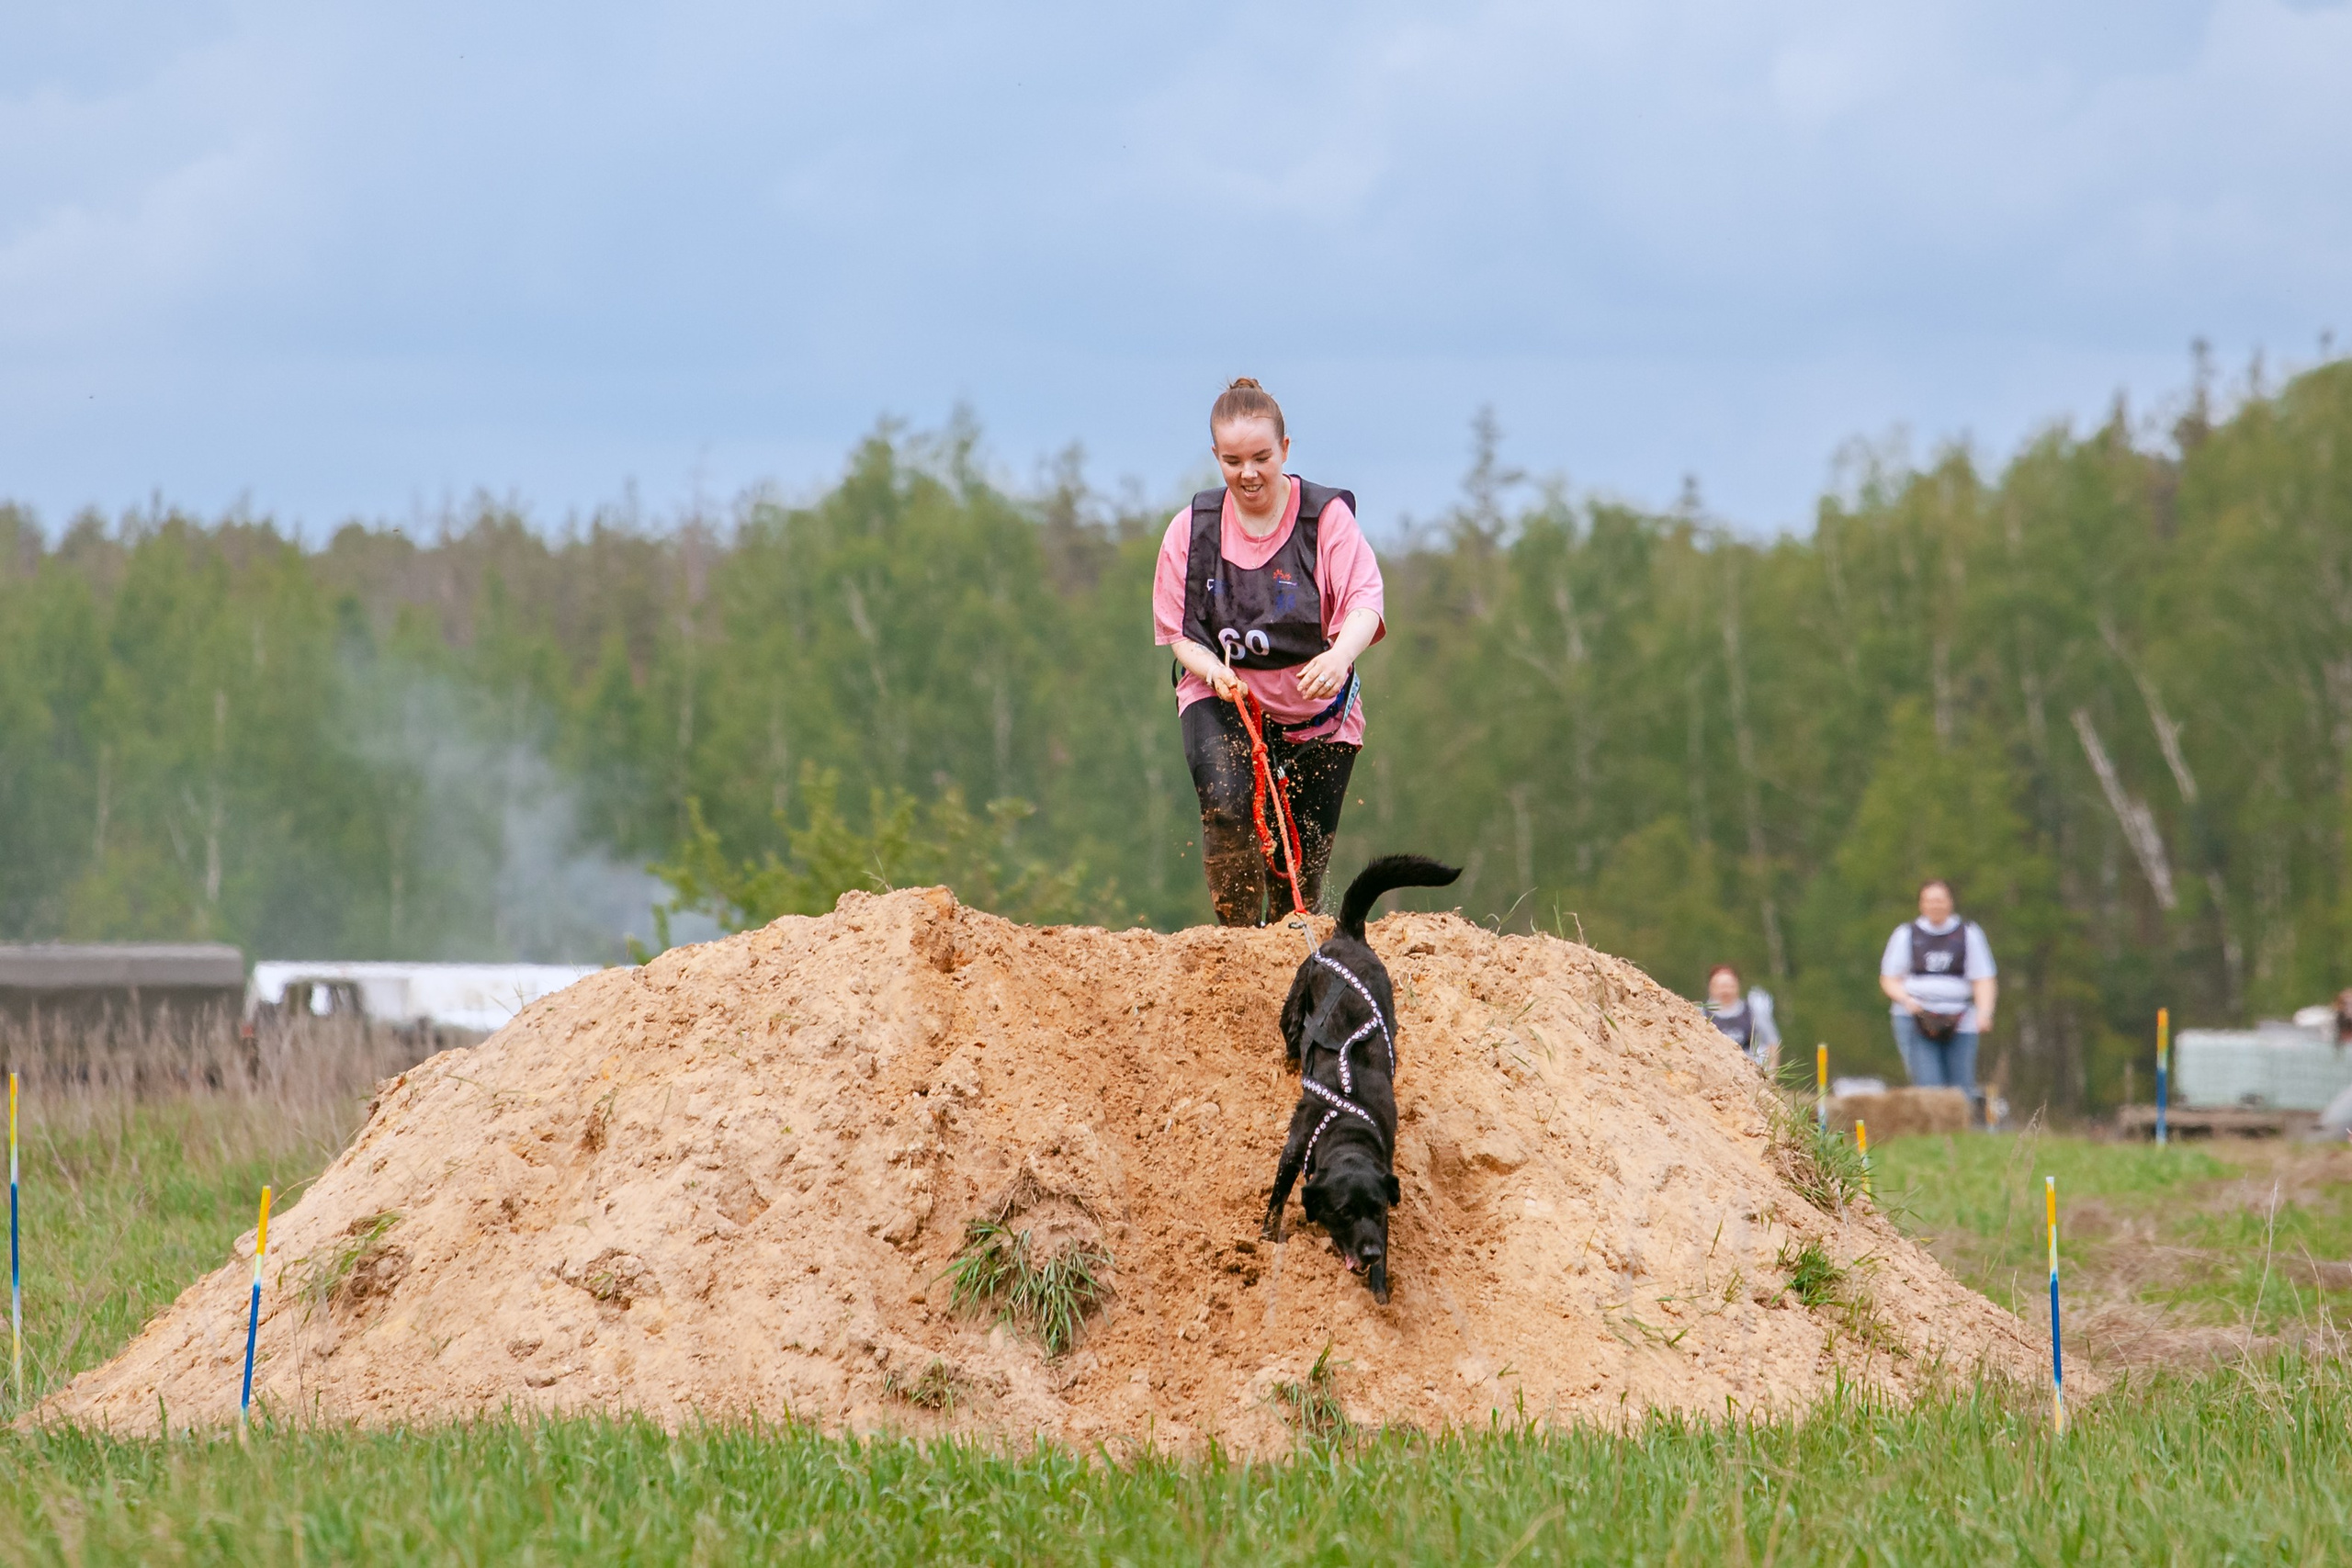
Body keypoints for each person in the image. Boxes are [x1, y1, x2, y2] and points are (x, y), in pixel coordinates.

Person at [1152, 378, 1385, 925]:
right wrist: (1214, 671)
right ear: (1216, 456)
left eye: (1261, 458)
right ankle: (1235, 944)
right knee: (1227, 810)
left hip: (1318, 710)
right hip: (1224, 695)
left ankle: (1286, 945)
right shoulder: (1191, 529)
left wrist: (1338, 657)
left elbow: (1365, 603)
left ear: (1284, 449)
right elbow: (1178, 631)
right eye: (1232, 461)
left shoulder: (1326, 520)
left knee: (1297, 869)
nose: (1248, 473)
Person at [1880, 878, 1996, 1116]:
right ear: (1921, 904)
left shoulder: (1968, 933)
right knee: (1929, 1085)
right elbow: (1889, 979)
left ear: (1950, 902)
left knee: (1961, 1087)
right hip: (1918, 1017)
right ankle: (1934, 1132)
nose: (1935, 905)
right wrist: (1907, 1001)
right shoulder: (1907, 934)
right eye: (1930, 900)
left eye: (1940, 900)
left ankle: (1960, 1132)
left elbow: (1983, 978)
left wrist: (1984, 1012)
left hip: (1960, 1017)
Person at [1702, 964, 1780, 1072]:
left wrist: (1771, 1074)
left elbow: (1771, 1042)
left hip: (1749, 1071)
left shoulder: (1753, 1011)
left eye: (1729, 986)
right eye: (1720, 986)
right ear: (1710, 987)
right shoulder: (1700, 1013)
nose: (1725, 991)